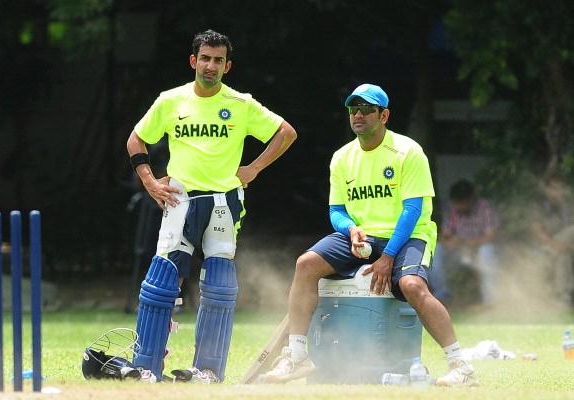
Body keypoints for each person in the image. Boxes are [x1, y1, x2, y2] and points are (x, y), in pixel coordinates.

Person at [263, 84, 478, 387]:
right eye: (353, 109)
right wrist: (351, 229)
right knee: (305, 264)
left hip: (409, 235)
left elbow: (413, 210)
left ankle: (460, 367)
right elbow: (336, 210)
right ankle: (297, 356)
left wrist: (388, 257)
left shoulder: (408, 151)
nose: (358, 114)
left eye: (366, 109)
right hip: (362, 237)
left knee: (413, 285)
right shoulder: (341, 157)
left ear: (384, 115)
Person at [126, 29, 297, 382]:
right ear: (194, 61)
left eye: (218, 60)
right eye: (205, 58)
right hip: (180, 199)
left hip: (223, 201)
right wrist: (150, 182)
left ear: (227, 66)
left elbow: (286, 133)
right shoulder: (171, 100)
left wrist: (253, 168)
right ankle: (146, 367)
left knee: (218, 287)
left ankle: (207, 371)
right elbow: (136, 139)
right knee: (162, 283)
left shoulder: (241, 103)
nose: (211, 65)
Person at [429, 180, 502, 309]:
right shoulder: (453, 208)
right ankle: (442, 297)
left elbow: (491, 237)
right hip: (460, 253)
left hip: (480, 252)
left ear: (470, 199)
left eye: (460, 203)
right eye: (455, 202)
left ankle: (491, 299)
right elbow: (445, 235)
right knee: (437, 249)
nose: (456, 206)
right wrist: (449, 242)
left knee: (487, 250)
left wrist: (464, 242)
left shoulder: (485, 207)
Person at [529, 174, 574, 308]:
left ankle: (562, 296)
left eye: (562, 188)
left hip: (564, 247)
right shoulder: (537, 205)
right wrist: (561, 245)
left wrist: (567, 246)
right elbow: (541, 236)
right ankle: (563, 294)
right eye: (555, 188)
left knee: (563, 254)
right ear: (547, 189)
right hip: (543, 248)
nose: (559, 192)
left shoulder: (567, 205)